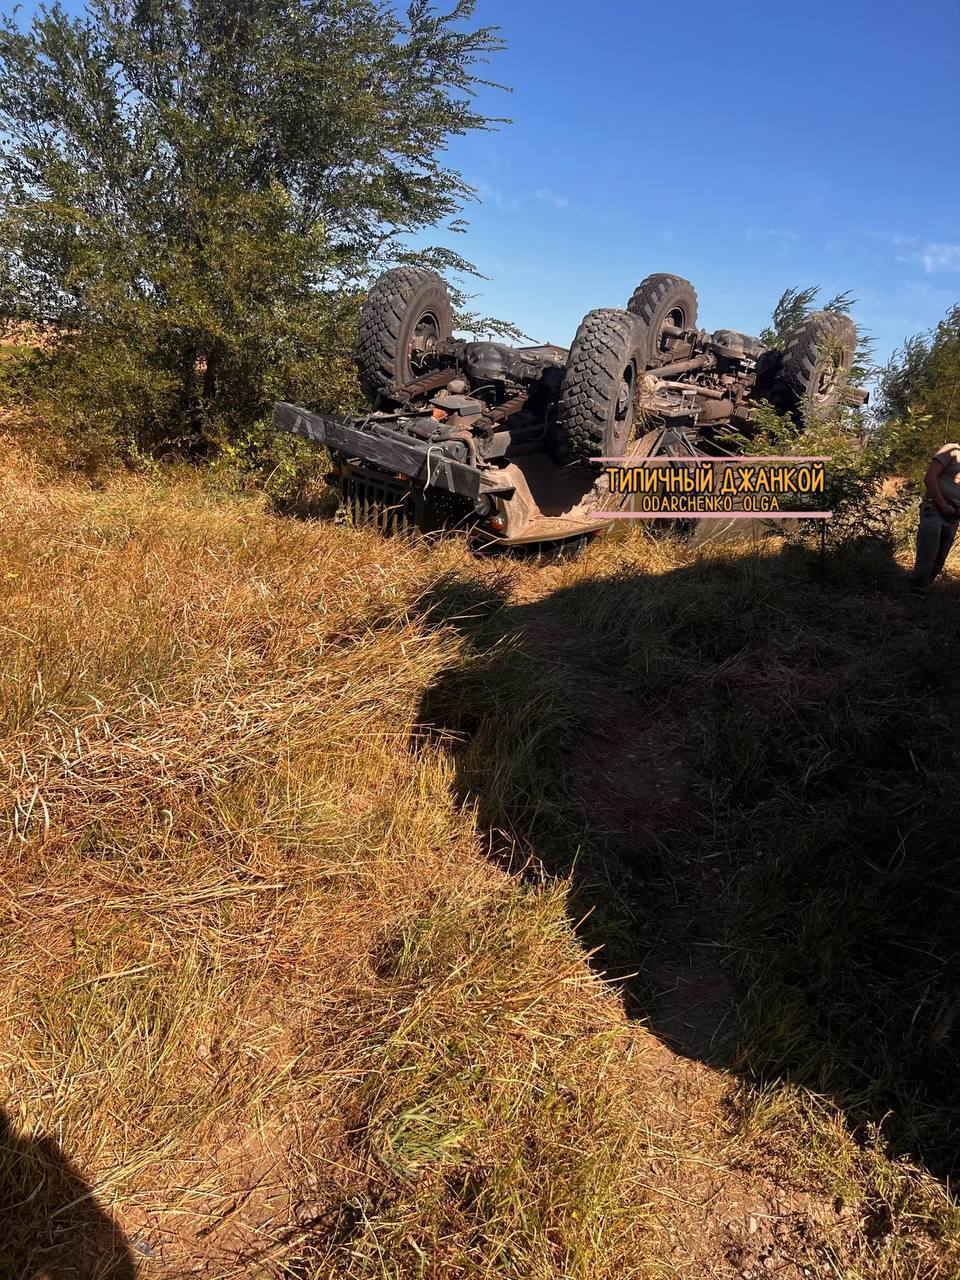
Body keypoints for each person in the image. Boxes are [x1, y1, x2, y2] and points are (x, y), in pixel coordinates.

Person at [910, 442, 960, 597]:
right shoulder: (952, 450)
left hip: (954, 515)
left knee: (940, 556)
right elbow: (929, 478)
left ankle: (925, 589)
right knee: (929, 549)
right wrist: (943, 505)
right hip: (935, 508)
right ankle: (916, 592)